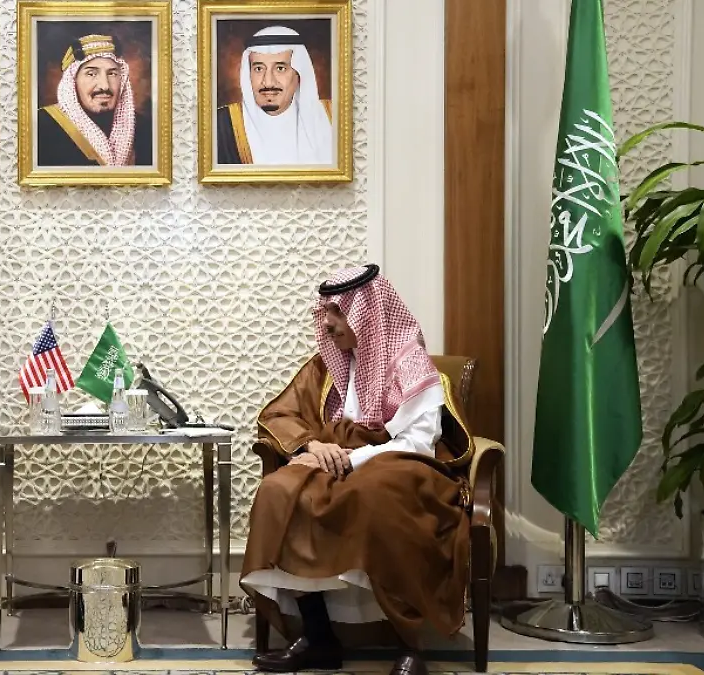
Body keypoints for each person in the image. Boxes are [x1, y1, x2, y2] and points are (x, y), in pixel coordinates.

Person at [240, 264, 474, 675]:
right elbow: (280, 414)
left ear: (366, 313)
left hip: (403, 466)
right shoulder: (325, 368)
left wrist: (352, 459)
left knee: (373, 495)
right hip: (338, 463)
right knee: (279, 489)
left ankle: (410, 645)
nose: (327, 323)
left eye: (338, 312)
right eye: (326, 312)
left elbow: (418, 442)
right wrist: (313, 445)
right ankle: (318, 637)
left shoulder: (410, 362)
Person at [215, 26, 335, 165]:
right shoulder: (220, 125)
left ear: (299, 74)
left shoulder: (333, 117)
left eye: (280, 68)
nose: (268, 82)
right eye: (258, 69)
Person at [37, 33, 153, 166]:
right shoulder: (41, 126)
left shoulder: (144, 128)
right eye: (91, 74)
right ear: (73, 82)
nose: (105, 85)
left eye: (112, 73)